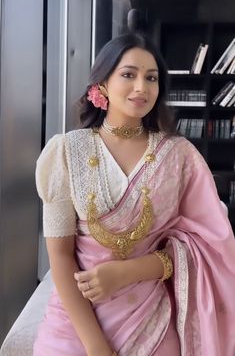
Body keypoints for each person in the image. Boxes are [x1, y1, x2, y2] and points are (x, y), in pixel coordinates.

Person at [33, 33, 235, 356]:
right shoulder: (65, 153)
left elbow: (209, 247)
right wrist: (96, 346)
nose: (141, 87)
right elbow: (59, 256)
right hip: (76, 323)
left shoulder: (180, 157)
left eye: (151, 78)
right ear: (101, 85)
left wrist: (127, 272)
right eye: (128, 74)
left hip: (150, 318)